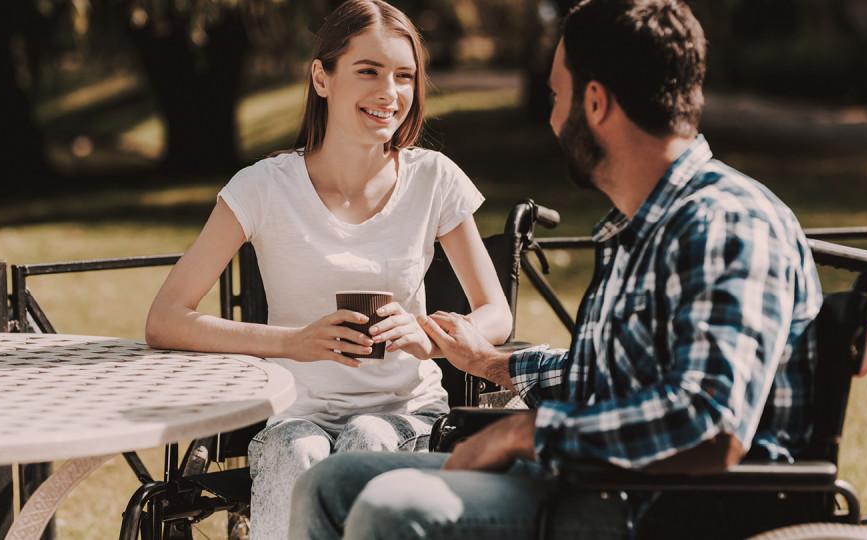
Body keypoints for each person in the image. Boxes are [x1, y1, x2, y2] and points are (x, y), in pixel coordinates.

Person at [289, 0, 823, 538]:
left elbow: (708, 425)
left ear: (594, 103)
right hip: (589, 482)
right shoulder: (645, 226)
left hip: (660, 509)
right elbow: (612, 379)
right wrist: (494, 363)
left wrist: (524, 435)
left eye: (556, 95)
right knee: (330, 483)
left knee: (394, 510)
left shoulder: (725, 224)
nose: (551, 116)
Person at [144, 1, 513, 538]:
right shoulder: (263, 187)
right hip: (296, 412)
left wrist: (429, 335)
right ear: (322, 76)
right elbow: (166, 318)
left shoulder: (434, 179)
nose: (390, 93)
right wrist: (293, 342)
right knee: (297, 448)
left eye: (404, 76)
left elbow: (494, 313)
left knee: (367, 437)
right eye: (369, 71)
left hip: (406, 411)